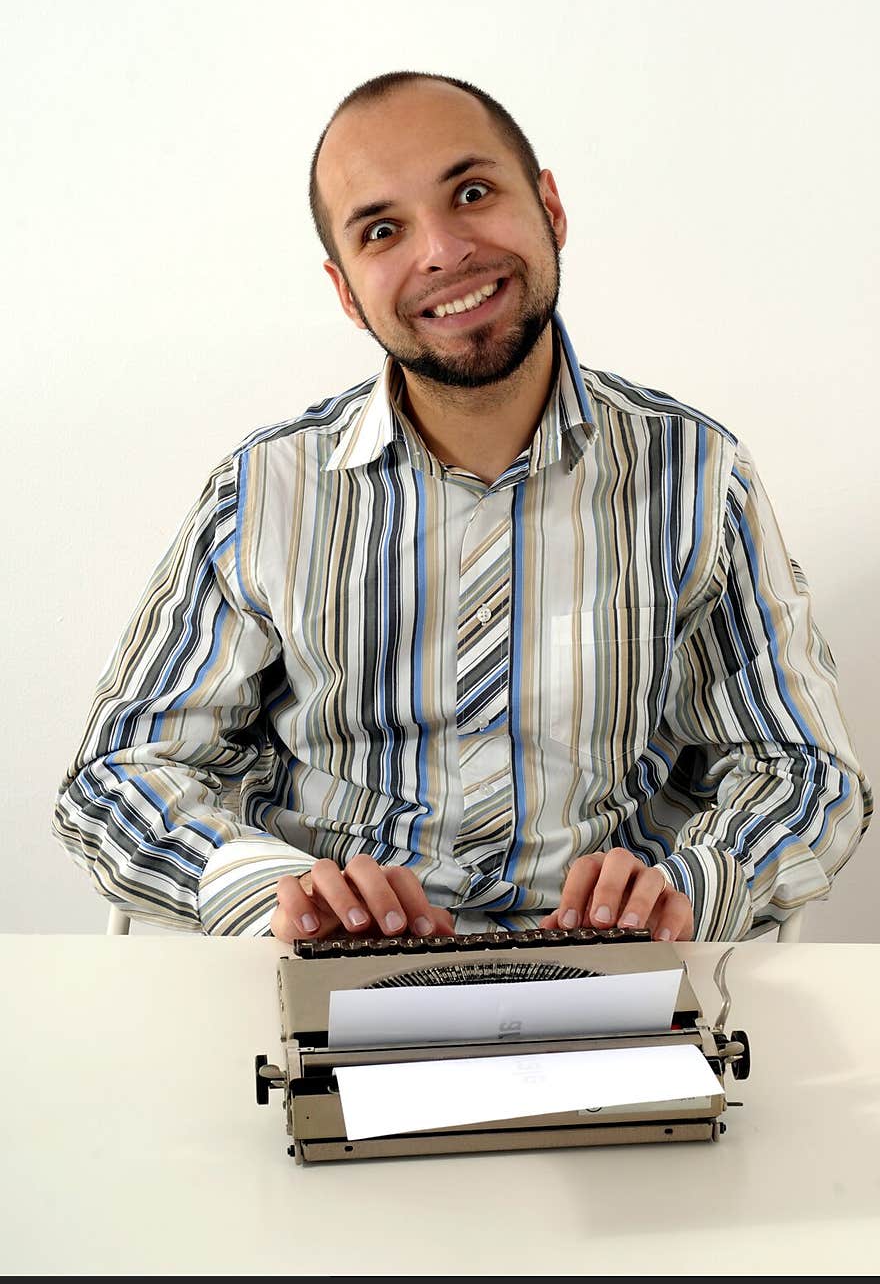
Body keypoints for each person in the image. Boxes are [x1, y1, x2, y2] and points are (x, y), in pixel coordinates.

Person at [54, 70, 872, 944]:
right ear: (346, 290)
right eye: (382, 229)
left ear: (549, 207)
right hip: (328, 979)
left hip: (616, 980)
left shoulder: (698, 475)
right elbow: (116, 773)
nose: (442, 252)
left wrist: (691, 888)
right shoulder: (265, 493)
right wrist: (276, 891)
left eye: (472, 192)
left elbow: (805, 770)